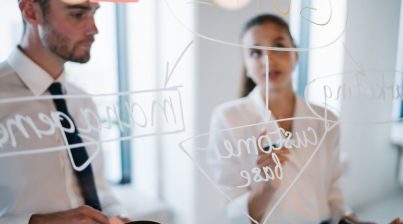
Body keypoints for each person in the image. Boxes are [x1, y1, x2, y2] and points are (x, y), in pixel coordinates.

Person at [208, 14, 368, 224]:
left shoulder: (326, 119)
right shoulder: (228, 118)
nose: (268, 60)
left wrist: (352, 220)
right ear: (246, 66)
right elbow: (232, 214)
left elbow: (333, 193)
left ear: (296, 54)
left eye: (278, 46)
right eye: (256, 53)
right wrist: (266, 187)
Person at [0, 0, 130, 223]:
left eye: (94, 13)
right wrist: (35, 222)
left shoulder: (82, 100)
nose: (94, 29)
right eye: (78, 14)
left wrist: (117, 217)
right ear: (31, 12)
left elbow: (99, 189)